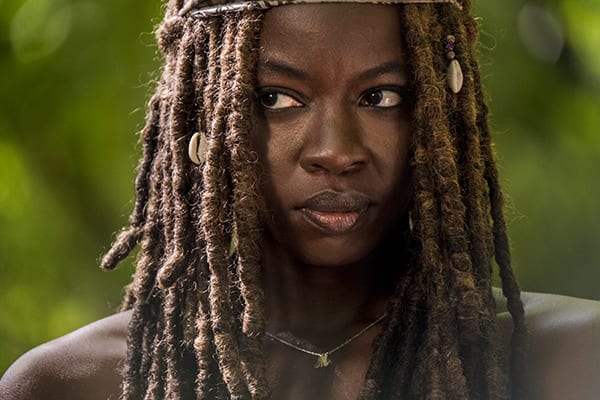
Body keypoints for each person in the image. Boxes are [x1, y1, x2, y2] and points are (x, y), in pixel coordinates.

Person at [1, 0, 599, 399]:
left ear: (439, 115)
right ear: (206, 114)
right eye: (277, 99)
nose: (336, 152)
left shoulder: (575, 359)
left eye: (382, 96)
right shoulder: (69, 386)